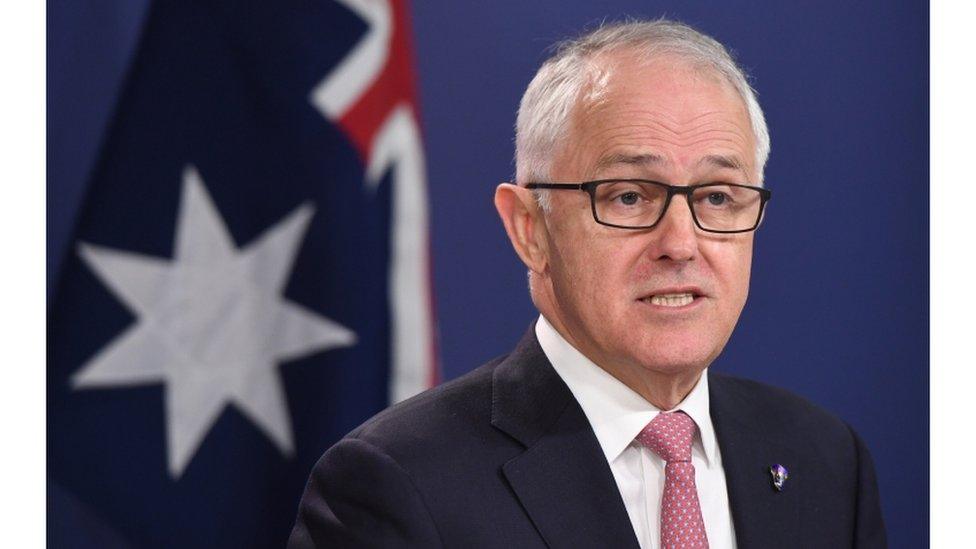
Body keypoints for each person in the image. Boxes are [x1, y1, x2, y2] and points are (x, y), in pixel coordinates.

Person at [289, 19, 887, 549]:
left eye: (716, 197)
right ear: (530, 229)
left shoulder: (824, 459)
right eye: (629, 196)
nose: (681, 243)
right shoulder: (397, 485)